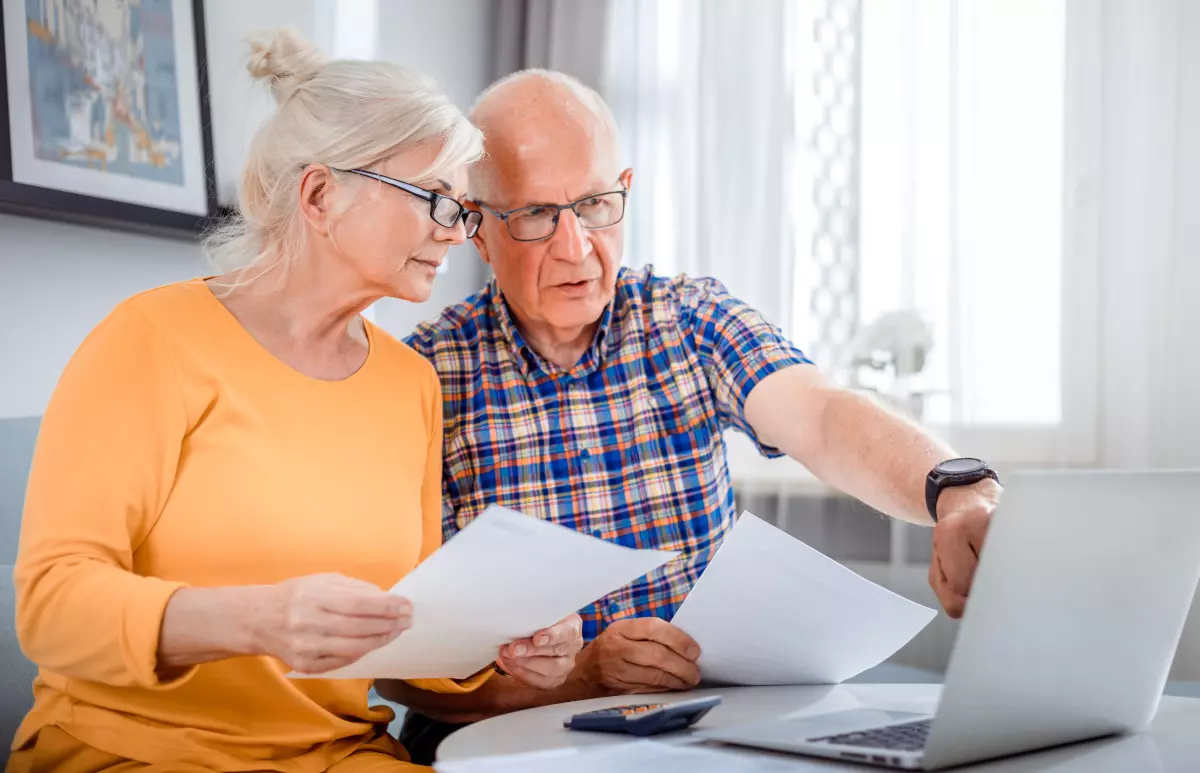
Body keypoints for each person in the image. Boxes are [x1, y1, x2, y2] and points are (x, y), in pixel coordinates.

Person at [383, 69, 1002, 763]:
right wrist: (579, 677)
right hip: (515, 749)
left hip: (706, 734)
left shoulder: (688, 319)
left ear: (624, 187)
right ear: (477, 229)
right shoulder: (425, 376)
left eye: (594, 204)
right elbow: (396, 664)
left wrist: (955, 487)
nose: (576, 247)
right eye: (534, 215)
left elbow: (824, 417)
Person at [7, 33, 581, 773]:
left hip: (340, 756)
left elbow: (405, 636)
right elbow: (51, 608)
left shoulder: (410, 384)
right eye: (433, 198)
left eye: (462, 209)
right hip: (133, 753)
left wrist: (500, 645)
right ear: (319, 195)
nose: (454, 231)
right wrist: (256, 620)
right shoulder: (150, 340)